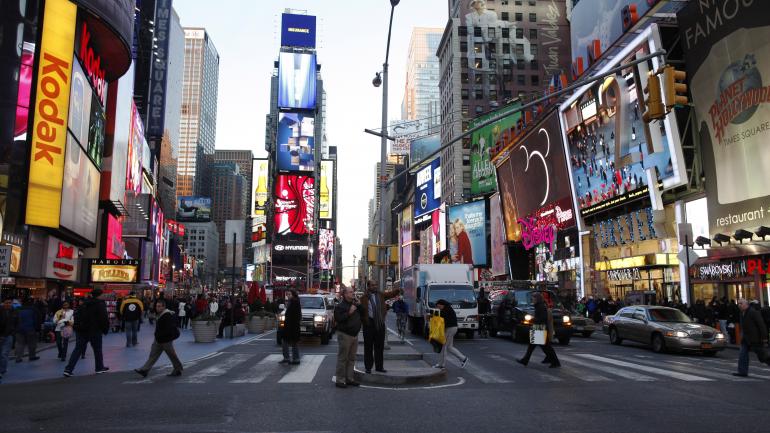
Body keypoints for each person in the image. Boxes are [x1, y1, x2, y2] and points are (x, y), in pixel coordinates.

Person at [64, 289, 110, 377]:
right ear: (99, 295)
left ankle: (68, 369)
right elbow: (103, 318)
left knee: (78, 349)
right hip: (95, 330)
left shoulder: (84, 303)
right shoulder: (100, 304)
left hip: (82, 330)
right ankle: (99, 368)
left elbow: (76, 315)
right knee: (97, 350)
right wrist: (105, 329)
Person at [134, 299, 183, 378]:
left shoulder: (167, 315)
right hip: (159, 339)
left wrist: (163, 336)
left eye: (159, 306)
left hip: (165, 340)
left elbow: (169, 329)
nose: (157, 308)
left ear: (164, 307)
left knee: (171, 355)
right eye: (157, 306)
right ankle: (145, 370)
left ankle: (178, 369)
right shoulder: (161, 314)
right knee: (153, 355)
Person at [359, 281, 400, 374]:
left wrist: (398, 290)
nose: (375, 286)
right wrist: (363, 321)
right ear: (368, 286)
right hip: (368, 324)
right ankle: (368, 367)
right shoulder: (363, 298)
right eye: (373, 285)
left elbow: (391, 294)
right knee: (368, 347)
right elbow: (360, 311)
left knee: (379, 347)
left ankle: (379, 367)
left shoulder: (381, 295)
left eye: (376, 285)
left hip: (379, 323)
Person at [516, 292, 561, 368]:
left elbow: (542, 318)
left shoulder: (540, 307)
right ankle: (525, 360)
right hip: (538, 328)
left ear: (537, 299)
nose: (532, 299)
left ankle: (555, 362)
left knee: (545, 347)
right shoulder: (538, 306)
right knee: (534, 346)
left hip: (540, 328)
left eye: (533, 298)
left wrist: (532, 319)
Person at [733, 299, 770, 377]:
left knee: (763, 357)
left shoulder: (753, 312)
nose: (739, 305)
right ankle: (742, 372)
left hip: (755, 339)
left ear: (746, 304)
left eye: (741, 303)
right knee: (742, 355)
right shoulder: (742, 313)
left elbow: (761, 325)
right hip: (746, 339)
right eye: (738, 304)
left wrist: (764, 338)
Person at [333, 287, 362, 388]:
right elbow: (338, 318)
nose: (353, 293)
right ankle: (340, 380)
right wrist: (349, 312)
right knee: (343, 358)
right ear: (345, 294)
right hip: (345, 334)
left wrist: (359, 305)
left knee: (351, 358)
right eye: (350, 292)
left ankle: (349, 378)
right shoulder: (340, 306)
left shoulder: (355, 304)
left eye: (353, 292)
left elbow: (363, 313)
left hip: (354, 334)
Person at [433, 300, 468, 369]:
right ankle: (463, 359)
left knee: (443, 346)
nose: (438, 308)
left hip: (450, 329)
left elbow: (442, 322)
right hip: (452, 328)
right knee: (449, 347)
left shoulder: (445, 311)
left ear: (441, 304)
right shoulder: (448, 309)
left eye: (438, 306)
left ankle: (441, 364)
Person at [280, 290, 302, 365]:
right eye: (287, 294)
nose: (288, 296)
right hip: (291, 326)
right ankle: (292, 358)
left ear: (293, 295)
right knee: (290, 342)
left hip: (292, 326)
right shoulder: (292, 302)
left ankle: (292, 359)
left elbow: (295, 315)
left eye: (289, 294)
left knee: (291, 342)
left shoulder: (294, 302)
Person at [0, 299, 17, 382]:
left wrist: (13, 331)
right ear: (3, 303)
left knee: (4, 353)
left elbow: (17, 322)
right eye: (6, 303)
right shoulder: (1, 311)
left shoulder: (14, 312)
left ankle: (2, 370)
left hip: (9, 335)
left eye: (10, 303)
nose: (8, 304)